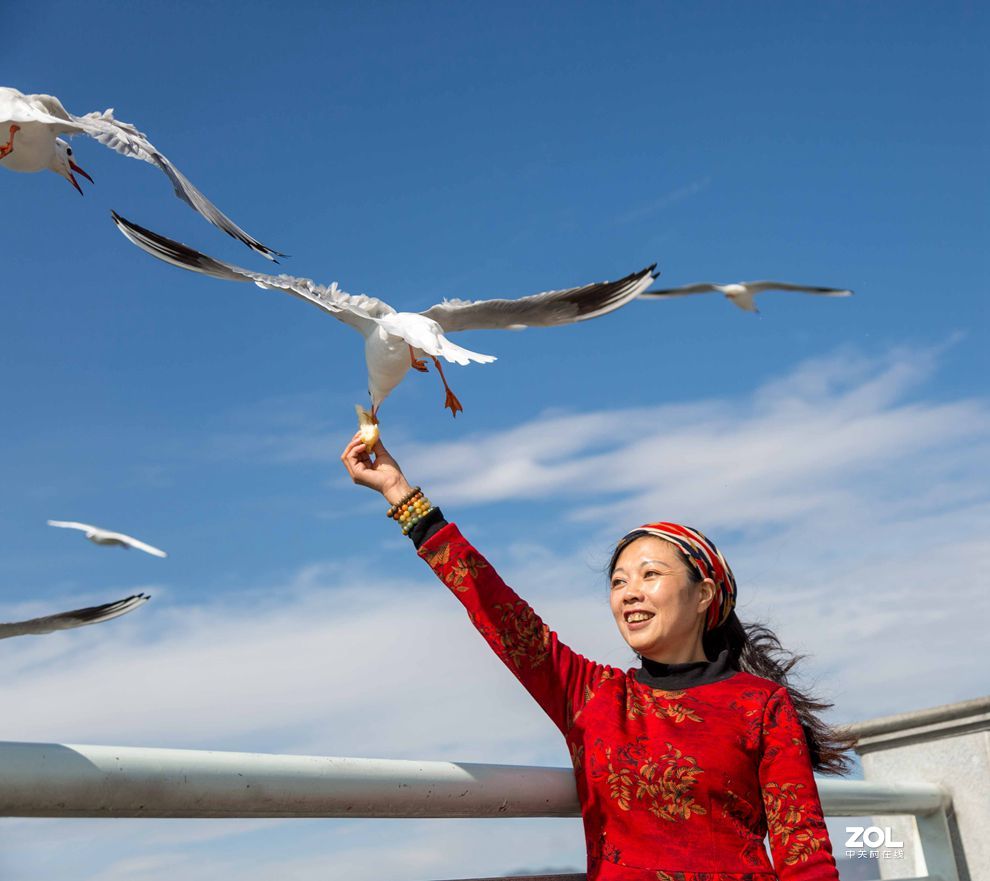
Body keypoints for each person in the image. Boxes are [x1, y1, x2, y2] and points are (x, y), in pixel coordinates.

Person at [341, 433, 855, 881]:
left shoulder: (760, 705)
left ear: (705, 595)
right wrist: (400, 494)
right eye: (618, 582)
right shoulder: (591, 695)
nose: (629, 592)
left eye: (650, 575)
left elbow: (803, 852)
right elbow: (498, 611)